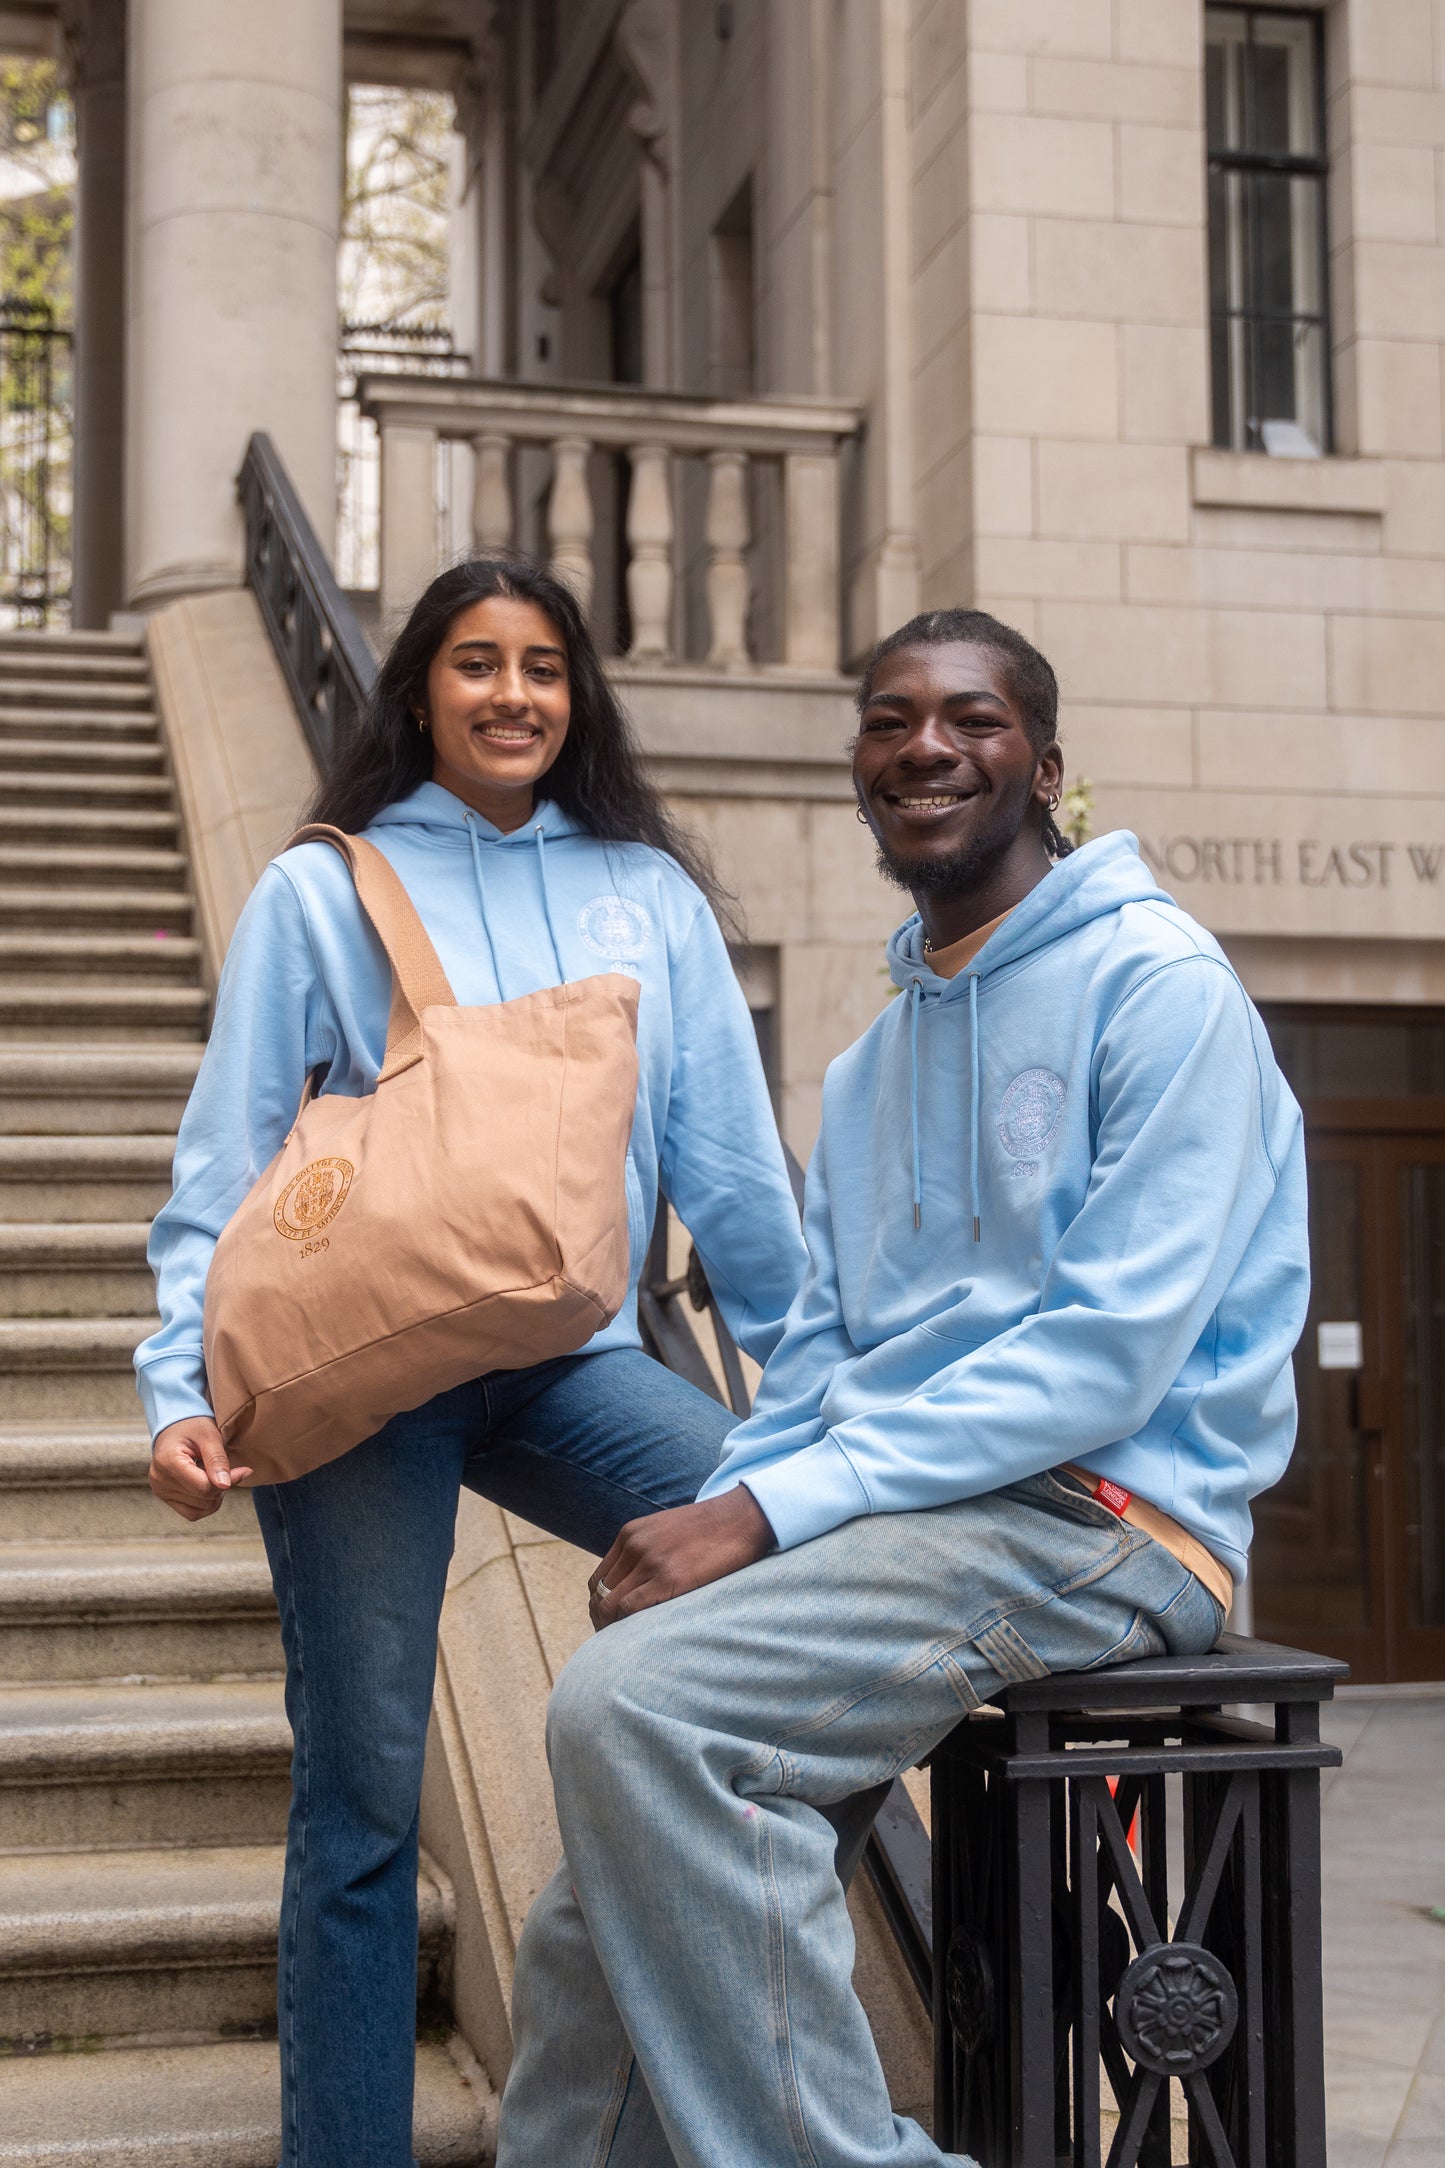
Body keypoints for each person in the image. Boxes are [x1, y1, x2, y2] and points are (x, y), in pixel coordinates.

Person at [496, 607, 1310, 2168]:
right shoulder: (871, 1065)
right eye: (888, 721)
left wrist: (769, 1511)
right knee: (608, 1869)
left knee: (640, 1716)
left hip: (1111, 1512)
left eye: (970, 717)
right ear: (861, 769)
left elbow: (1101, 1361)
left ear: (1044, 765)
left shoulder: (1159, 987)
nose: (925, 745)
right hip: (923, 1517)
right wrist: (729, 1502)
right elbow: (815, 1361)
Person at [138, 555, 808, 2168]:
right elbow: (227, 1158)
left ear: (576, 698)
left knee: (788, 1569)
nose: (513, 694)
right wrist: (179, 1389)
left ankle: (646, 2080)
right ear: (420, 690)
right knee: (362, 1807)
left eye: (544, 668)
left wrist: (816, 1407)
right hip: (367, 1366)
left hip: (568, 1354)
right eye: (475, 664)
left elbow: (732, 1171)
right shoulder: (329, 887)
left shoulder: (640, 893)